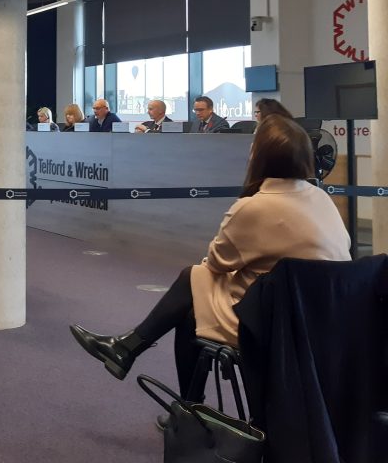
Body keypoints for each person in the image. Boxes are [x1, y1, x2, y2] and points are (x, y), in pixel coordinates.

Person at [69, 116, 351, 406]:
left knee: (193, 286)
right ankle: (136, 358)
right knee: (193, 297)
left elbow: (217, 262)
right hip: (326, 322)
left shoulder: (254, 207)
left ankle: (174, 393)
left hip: (274, 325)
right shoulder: (322, 199)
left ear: (258, 157)